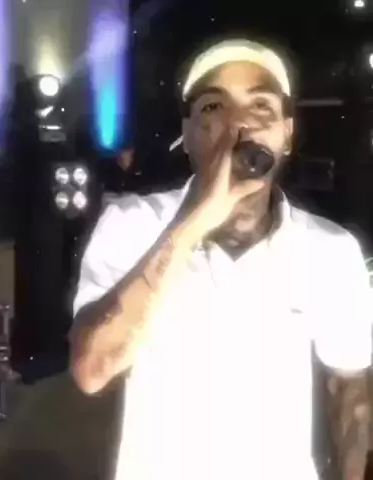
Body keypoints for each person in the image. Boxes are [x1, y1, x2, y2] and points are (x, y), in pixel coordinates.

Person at [69, 39, 373, 480]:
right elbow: (91, 370)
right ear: (188, 136)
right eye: (214, 107)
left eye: (261, 106)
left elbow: (351, 392)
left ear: (287, 134)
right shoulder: (131, 225)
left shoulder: (330, 250)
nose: (239, 124)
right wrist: (197, 220)